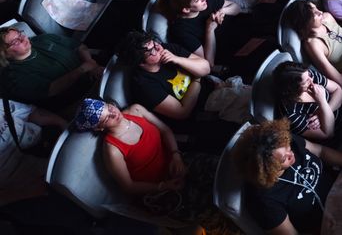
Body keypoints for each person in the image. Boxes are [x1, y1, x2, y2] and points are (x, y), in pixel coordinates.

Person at [70, 98, 226, 231]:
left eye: (109, 108)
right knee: (211, 209)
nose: (114, 113)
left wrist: (175, 155)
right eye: (107, 118)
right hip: (158, 190)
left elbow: (165, 130)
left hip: (175, 162)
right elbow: (128, 186)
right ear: (100, 128)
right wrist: (165, 186)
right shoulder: (113, 150)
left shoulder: (136, 110)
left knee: (221, 169)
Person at [233, 119, 342, 234]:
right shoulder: (265, 201)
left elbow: (320, 151)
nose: (292, 154)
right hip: (327, 223)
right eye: (284, 159)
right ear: (267, 169)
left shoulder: (283, 144)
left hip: (341, 188)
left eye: (289, 148)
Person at [115, 31, 212, 121]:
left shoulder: (166, 49)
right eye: (151, 51)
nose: (158, 48)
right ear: (141, 63)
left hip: (211, 88)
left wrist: (178, 59)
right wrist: (196, 79)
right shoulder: (144, 85)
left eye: (154, 43)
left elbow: (206, 68)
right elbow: (183, 112)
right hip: (200, 113)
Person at [0, 26, 103, 107]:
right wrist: (83, 69)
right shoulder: (14, 76)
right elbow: (52, 89)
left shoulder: (44, 39)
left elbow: (79, 46)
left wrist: (91, 64)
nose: (23, 38)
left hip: (93, 76)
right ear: (5, 54)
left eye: (20, 34)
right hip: (77, 101)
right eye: (15, 41)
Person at [0, 99, 66, 205]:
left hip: (47, 145)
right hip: (28, 183)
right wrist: (25, 193)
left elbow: (32, 113)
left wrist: (63, 125)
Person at [158, 0, 240, 67]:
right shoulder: (181, 31)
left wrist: (222, 11)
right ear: (186, 9)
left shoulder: (206, 0)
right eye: (197, 0)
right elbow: (208, 63)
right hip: (230, 50)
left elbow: (237, 7)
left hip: (239, 28)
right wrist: (209, 29)